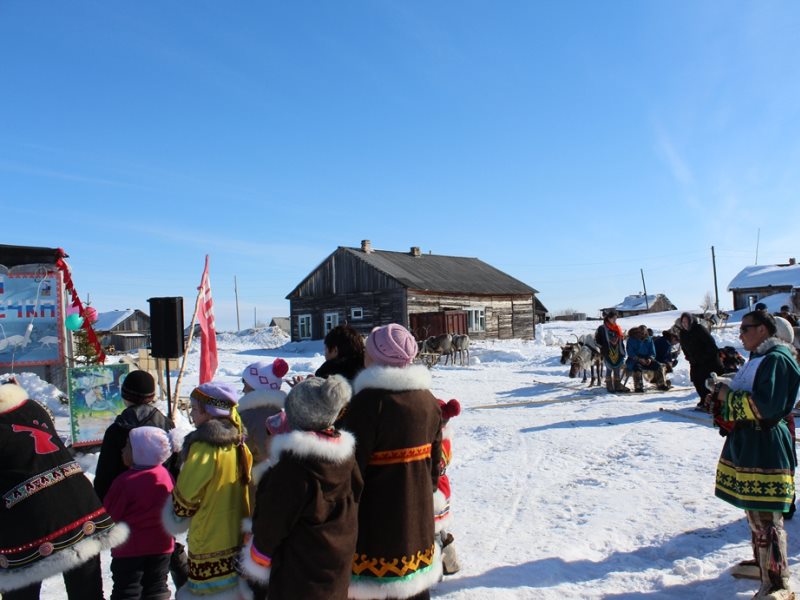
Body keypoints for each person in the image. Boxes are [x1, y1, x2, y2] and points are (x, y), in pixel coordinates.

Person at [339, 324, 443, 600]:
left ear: (373, 357)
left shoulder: (367, 404)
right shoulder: (428, 400)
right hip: (417, 520)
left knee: (375, 591)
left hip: (378, 524)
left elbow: (352, 472)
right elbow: (436, 466)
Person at [0, 378, 128, 599]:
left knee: (20, 591)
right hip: (80, 503)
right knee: (87, 593)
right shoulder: (33, 407)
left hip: (31, 516)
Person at [240, 375, 361, 600]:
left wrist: (258, 559)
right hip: (336, 567)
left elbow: (271, 525)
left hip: (298, 576)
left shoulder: (291, 471)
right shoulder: (345, 459)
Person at [710, 310, 800, 599]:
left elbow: (767, 407)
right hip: (752, 442)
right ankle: (763, 565)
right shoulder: (760, 357)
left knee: (766, 514)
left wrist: (726, 396)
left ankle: (776, 580)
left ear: (763, 330)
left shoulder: (777, 361)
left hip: (766, 444)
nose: (740, 335)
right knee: (755, 510)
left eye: (746, 329)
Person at [93, 369, 188, 588]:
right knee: (163, 560)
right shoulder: (166, 426)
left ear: (125, 396)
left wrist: (102, 514)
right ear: (152, 396)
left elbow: (104, 477)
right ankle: (189, 590)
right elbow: (176, 471)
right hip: (161, 507)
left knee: (130, 574)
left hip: (126, 512)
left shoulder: (117, 430)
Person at [161, 382, 252, 599]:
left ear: (208, 411)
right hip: (237, 533)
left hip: (210, 536)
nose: (191, 414)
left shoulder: (205, 446)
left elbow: (187, 495)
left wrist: (178, 511)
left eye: (194, 408)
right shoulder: (238, 442)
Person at [103, 426, 178, 600]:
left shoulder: (124, 482)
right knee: (157, 587)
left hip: (130, 549)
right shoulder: (165, 475)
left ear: (141, 452)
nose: (122, 450)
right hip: (162, 546)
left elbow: (109, 515)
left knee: (128, 590)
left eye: (127, 446)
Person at [239, 359, 289, 466]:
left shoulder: (250, 416)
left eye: (245, 383)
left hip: (255, 477)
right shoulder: (279, 413)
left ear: (256, 388)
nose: (243, 390)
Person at [434, 398, 462, 576]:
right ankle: (451, 563)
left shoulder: (436, 440)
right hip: (443, 487)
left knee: (432, 530)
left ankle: (435, 570)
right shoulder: (445, 437)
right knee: (439, 527)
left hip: (435, 489)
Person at [677, 312, 724, 408]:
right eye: (683, 322)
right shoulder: (683, 333)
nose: (685, 324)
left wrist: (704, 356)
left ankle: (712, 401)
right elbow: (684, 346)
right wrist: (688, 356)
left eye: (686, 322)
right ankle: (703, 399)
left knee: (707, 381)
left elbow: (711, 344)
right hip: (695, 361)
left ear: (691, 321)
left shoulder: (699, 329)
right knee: (696, 379)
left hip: (709, 360)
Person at [625, 325, 671, 392]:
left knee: (658, 366)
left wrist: (650, 358)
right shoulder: (632, 339)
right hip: (634, 360)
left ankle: (661, 384)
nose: (642, 334)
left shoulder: (649, 339)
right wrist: (639, 359)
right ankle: (638, 387)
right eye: (640, 332)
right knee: (637, 367)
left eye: (643, 333)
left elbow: (652, 352)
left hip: (647, 359)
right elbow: (630, 352)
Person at [595, 309, 629, 393]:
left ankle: (617, 384)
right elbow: (597, 340)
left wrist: (622, 349)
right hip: (608, 352)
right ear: (608, 318)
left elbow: (621, 340)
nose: (615, 320)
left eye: (616, 318)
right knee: (609, 368)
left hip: (618, 351)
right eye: (613, 318)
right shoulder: (602, 328)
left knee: (617, 368)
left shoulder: (617, 328)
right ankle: (609, 384)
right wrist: (602, 348)